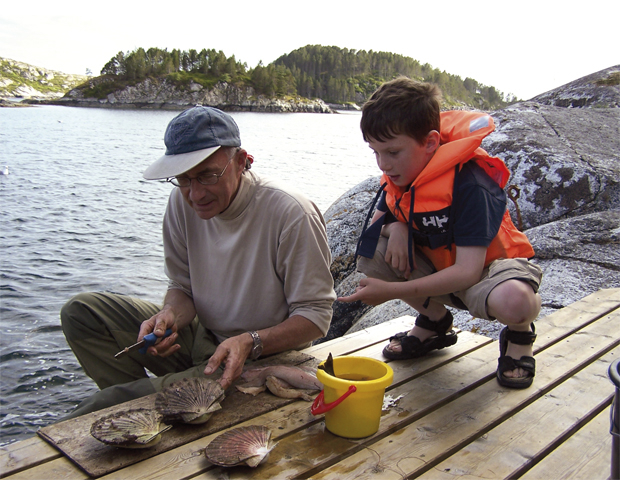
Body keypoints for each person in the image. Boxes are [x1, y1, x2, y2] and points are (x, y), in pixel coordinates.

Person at [60, 106, 336, 417]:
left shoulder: (291, 212)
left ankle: (145, 406)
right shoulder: (182, 201)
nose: (195, 194)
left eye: (207, 175)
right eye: (184, 178)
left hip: (263, 357)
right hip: (203, 335)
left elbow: (315, 317)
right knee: (81, 312)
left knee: (97, 407)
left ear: (242, 161)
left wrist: (251, 341)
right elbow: (182, 287)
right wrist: (169, 316)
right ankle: (152, 414)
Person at [338, 77, 543, 389]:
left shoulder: (469, 184)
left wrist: (391, 292)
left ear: (431, 142)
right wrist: (398, 226)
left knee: (516, 302)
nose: (383, 164)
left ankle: (519, 334)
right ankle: (435, 324)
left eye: (393, 151)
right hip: (443, 273)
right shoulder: (400, 178)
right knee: (374, 253)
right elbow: (372, 228)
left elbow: (467, 272)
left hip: (488, 275)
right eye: (375, 152)